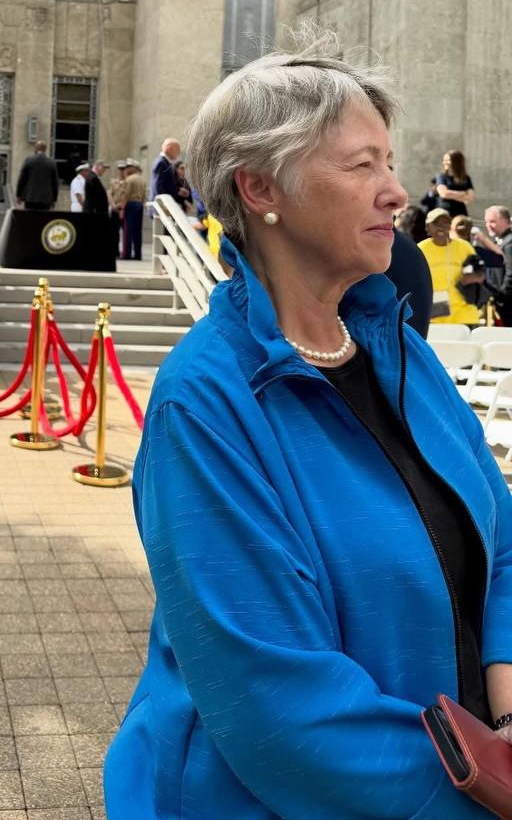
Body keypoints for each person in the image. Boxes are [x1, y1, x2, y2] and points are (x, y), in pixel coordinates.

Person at [105, 41, 512, 819]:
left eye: (390, 161)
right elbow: (278, 713)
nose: (397, 191)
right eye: (362, 165)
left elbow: (505, 547)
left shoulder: (402, 354)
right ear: (262, 188)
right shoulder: (205, 401)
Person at [418, 207, 482, 326]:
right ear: (427, 227)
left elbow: (480, 272)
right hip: (435, 314)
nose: (441, 227)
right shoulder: (420, 249)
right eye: (436, 224)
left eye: (445, 223)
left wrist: (473, 277)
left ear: (450, 226)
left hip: (464, 313)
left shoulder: (464, 247)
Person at [16, 141, 59, 212]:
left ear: (36, 148)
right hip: (46, 199)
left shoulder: (29, 160)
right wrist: (54, 199)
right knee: (43, 218)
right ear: (45, 149)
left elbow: (22, 179)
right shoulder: (51, 163)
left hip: (30, 197)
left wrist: (18, 195)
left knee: (30, 218)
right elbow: (55, 183)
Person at [435, 149, 475, 218]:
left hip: (461, 213)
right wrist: (462, 193)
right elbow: (444, 194)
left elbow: (470, 197)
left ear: (456, 162)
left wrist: (451, 195)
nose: (444, 162)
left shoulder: (465, 178)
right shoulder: (441, 176)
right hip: (445, 213)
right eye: (444, 160)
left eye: (447, 160)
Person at [121, 158, 146, 260]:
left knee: (128, 230)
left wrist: (122, 208)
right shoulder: (142, 180)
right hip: (139, 204)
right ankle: (137, 254)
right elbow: (144, 195)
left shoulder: (129, 179)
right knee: (137, 231)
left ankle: (127, 254)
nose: (126, 169)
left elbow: (126, 195)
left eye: (128, 167)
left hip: (130, 204)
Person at [108, 160, 127, 256]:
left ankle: (124, 251)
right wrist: (113, 205)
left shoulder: (127, 182)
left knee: (124, 232)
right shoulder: (113, 181)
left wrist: (120, 207)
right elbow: (110, 194)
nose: (121, 171)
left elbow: (126, 196)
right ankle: (114, 251)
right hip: (114, 208)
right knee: (114, 231)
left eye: (123, 169)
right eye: (120, 169)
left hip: (122, 209)